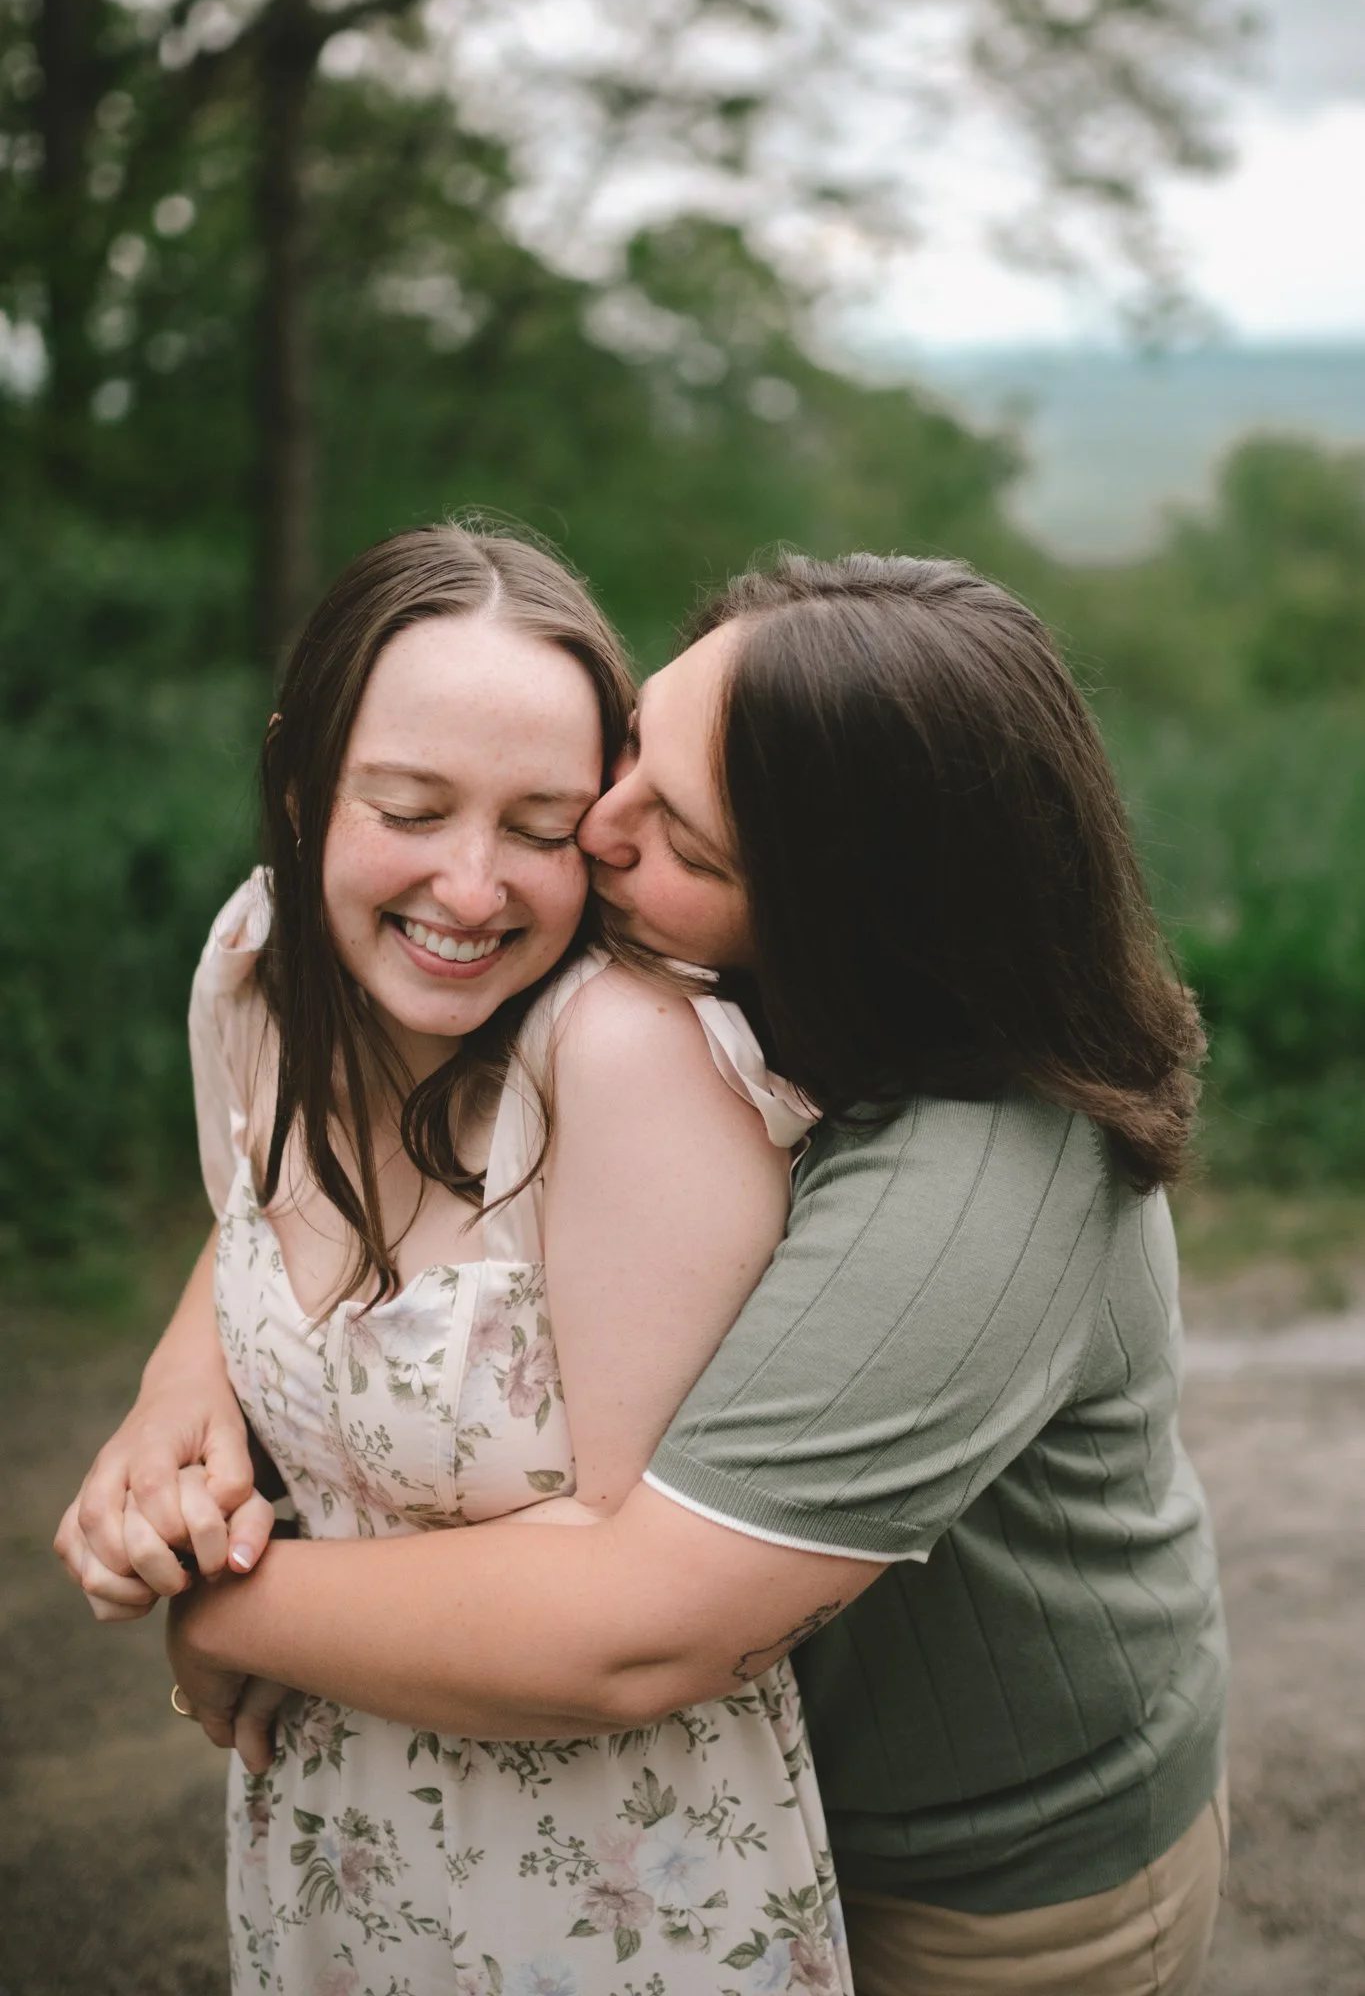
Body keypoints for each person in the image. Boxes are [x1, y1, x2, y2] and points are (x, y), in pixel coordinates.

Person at [61, 552, 1228, 1996]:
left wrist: (228, 1611)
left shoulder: (981, 1178)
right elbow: (356, 1176)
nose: (589, 836)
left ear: (826, 911)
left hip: (977, 1874)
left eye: (669, 829)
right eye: (632, 757)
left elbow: (640, 1623)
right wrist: (194, 1371)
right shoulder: (620, 936)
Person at [58, 522, 852, 1995]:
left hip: (612, 1897)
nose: (472, 890)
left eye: (543, 827)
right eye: (411, 808)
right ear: (302, 787)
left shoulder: (625, 1064)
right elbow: (264, 1257)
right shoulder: (252, 972)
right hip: (325, 1862)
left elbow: (648, 1595)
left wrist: (231, 1608)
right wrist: (171, 1459)